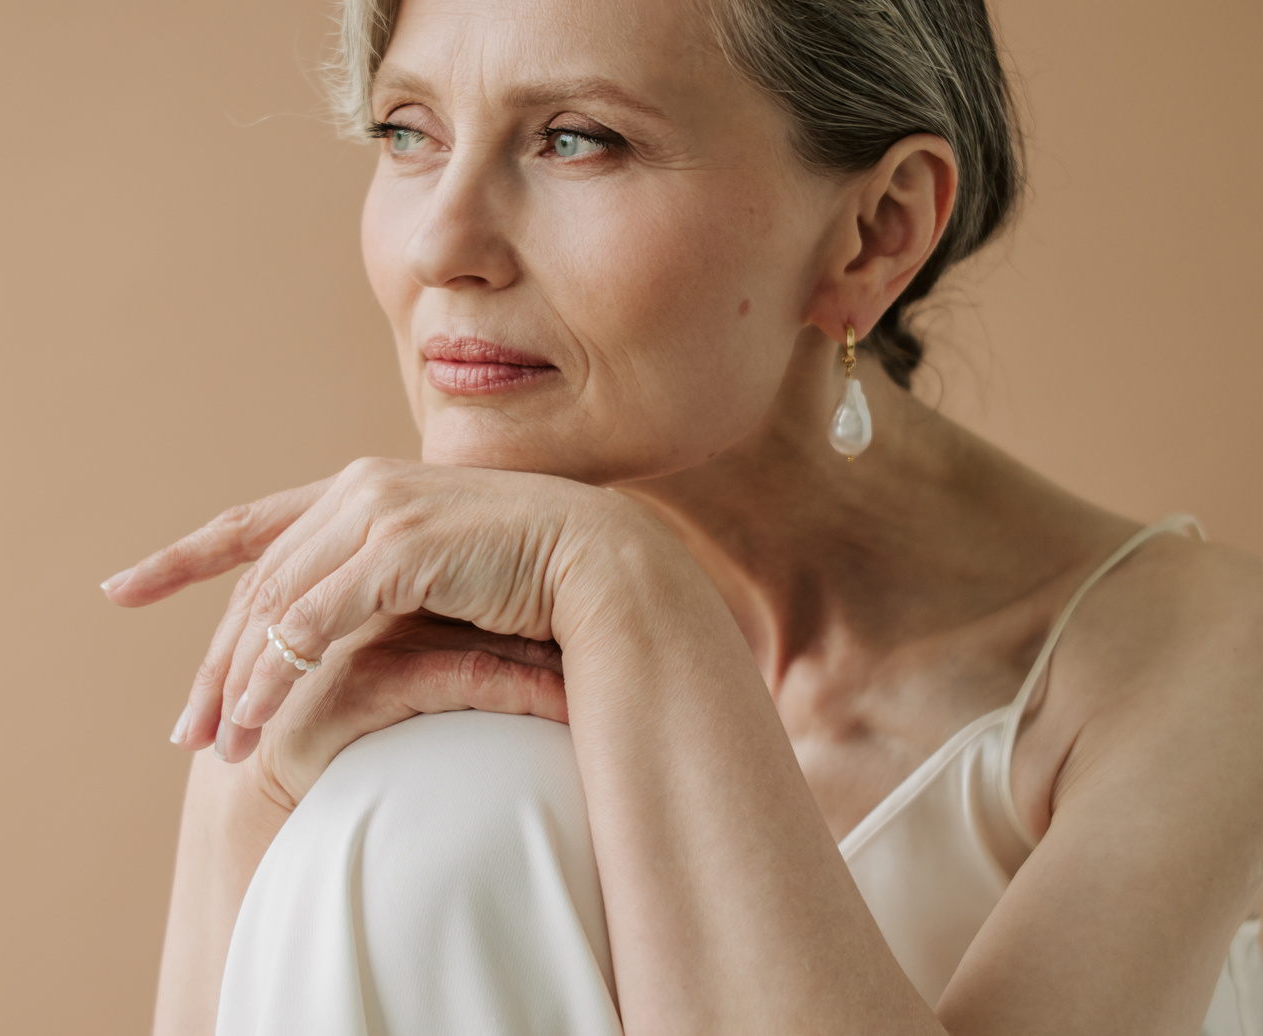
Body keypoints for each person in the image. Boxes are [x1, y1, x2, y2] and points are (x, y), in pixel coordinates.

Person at [102, 0, 1263, 1032]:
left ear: (876, 233)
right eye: (409, 131)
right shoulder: (417, 663)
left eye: (575, 140)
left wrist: (625, 576)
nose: (440, 245)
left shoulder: (1210, 661)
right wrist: (241, 784)